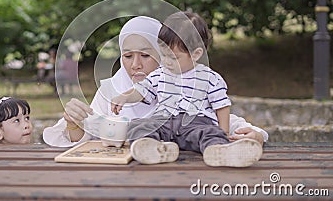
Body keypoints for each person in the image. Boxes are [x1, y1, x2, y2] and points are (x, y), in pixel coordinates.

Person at [43, 16, 268, 150]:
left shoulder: (182, 82)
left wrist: (256, 135)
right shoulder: (110, 91)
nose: (136, 65)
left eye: (146, 55)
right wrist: (75, 124)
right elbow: (87, 136)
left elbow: (227, 123)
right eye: (128, 56)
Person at [111, 12, 262, 167]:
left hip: (195, 122)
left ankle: (220, 150)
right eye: (163, 55)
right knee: (138, 125)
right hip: (164, 120)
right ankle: (155, 149)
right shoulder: (159, 75)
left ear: (195, 54)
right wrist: (124, 97)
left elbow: (222, 106)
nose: (167, 62)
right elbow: (141, 91)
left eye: (173, 57)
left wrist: (224, 133)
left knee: (210, 133)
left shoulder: (209, 78)